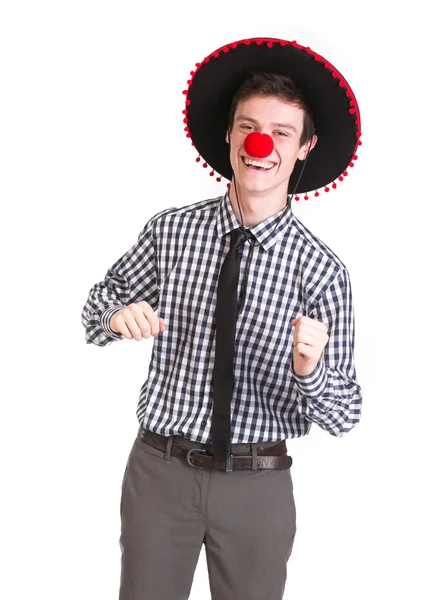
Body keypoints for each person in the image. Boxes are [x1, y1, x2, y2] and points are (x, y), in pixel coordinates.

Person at [81, 36, 363, 600]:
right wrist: (117, 316)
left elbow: (346, 413)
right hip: (160, 473)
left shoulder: (322, 272)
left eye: (282, 132)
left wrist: (310, 369)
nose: (262, 142)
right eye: (249, 125)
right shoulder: (172, 231)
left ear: (304, 147)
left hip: (258, 489)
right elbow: (94, 309)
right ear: (231, 136)